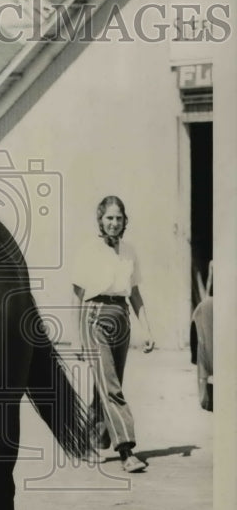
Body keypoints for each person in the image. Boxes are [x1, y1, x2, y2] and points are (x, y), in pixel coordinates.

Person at [72, 196, 154, 474]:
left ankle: (87, 442)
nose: (114, 223)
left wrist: (148, 329)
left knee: (106, 384)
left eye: (118, 218)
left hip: (121, 319)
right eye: (109, 218)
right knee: (111, 388)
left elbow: (136, 294)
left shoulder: (129, 251)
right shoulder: (89, 250)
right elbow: (78, 294)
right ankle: (126, 450)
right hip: (93, 318)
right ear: (100, 220)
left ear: (124, 220)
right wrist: (76, 337)